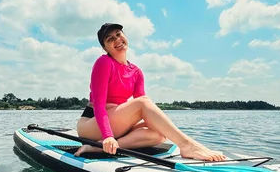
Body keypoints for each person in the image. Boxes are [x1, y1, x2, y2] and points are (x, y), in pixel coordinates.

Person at [75, 23, 226, 161]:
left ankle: (99, 147)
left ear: (125, 36)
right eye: (110, 39)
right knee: (143, 102)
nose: (117, 39)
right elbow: (100, 105)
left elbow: (146, 111)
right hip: (92, 123)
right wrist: (108, 135)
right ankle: (187, 145)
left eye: (118, 34)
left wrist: (156, 124)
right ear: (105, 48)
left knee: (159, 134)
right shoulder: (104, 62)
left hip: (118, 124)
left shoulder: (136, 72)